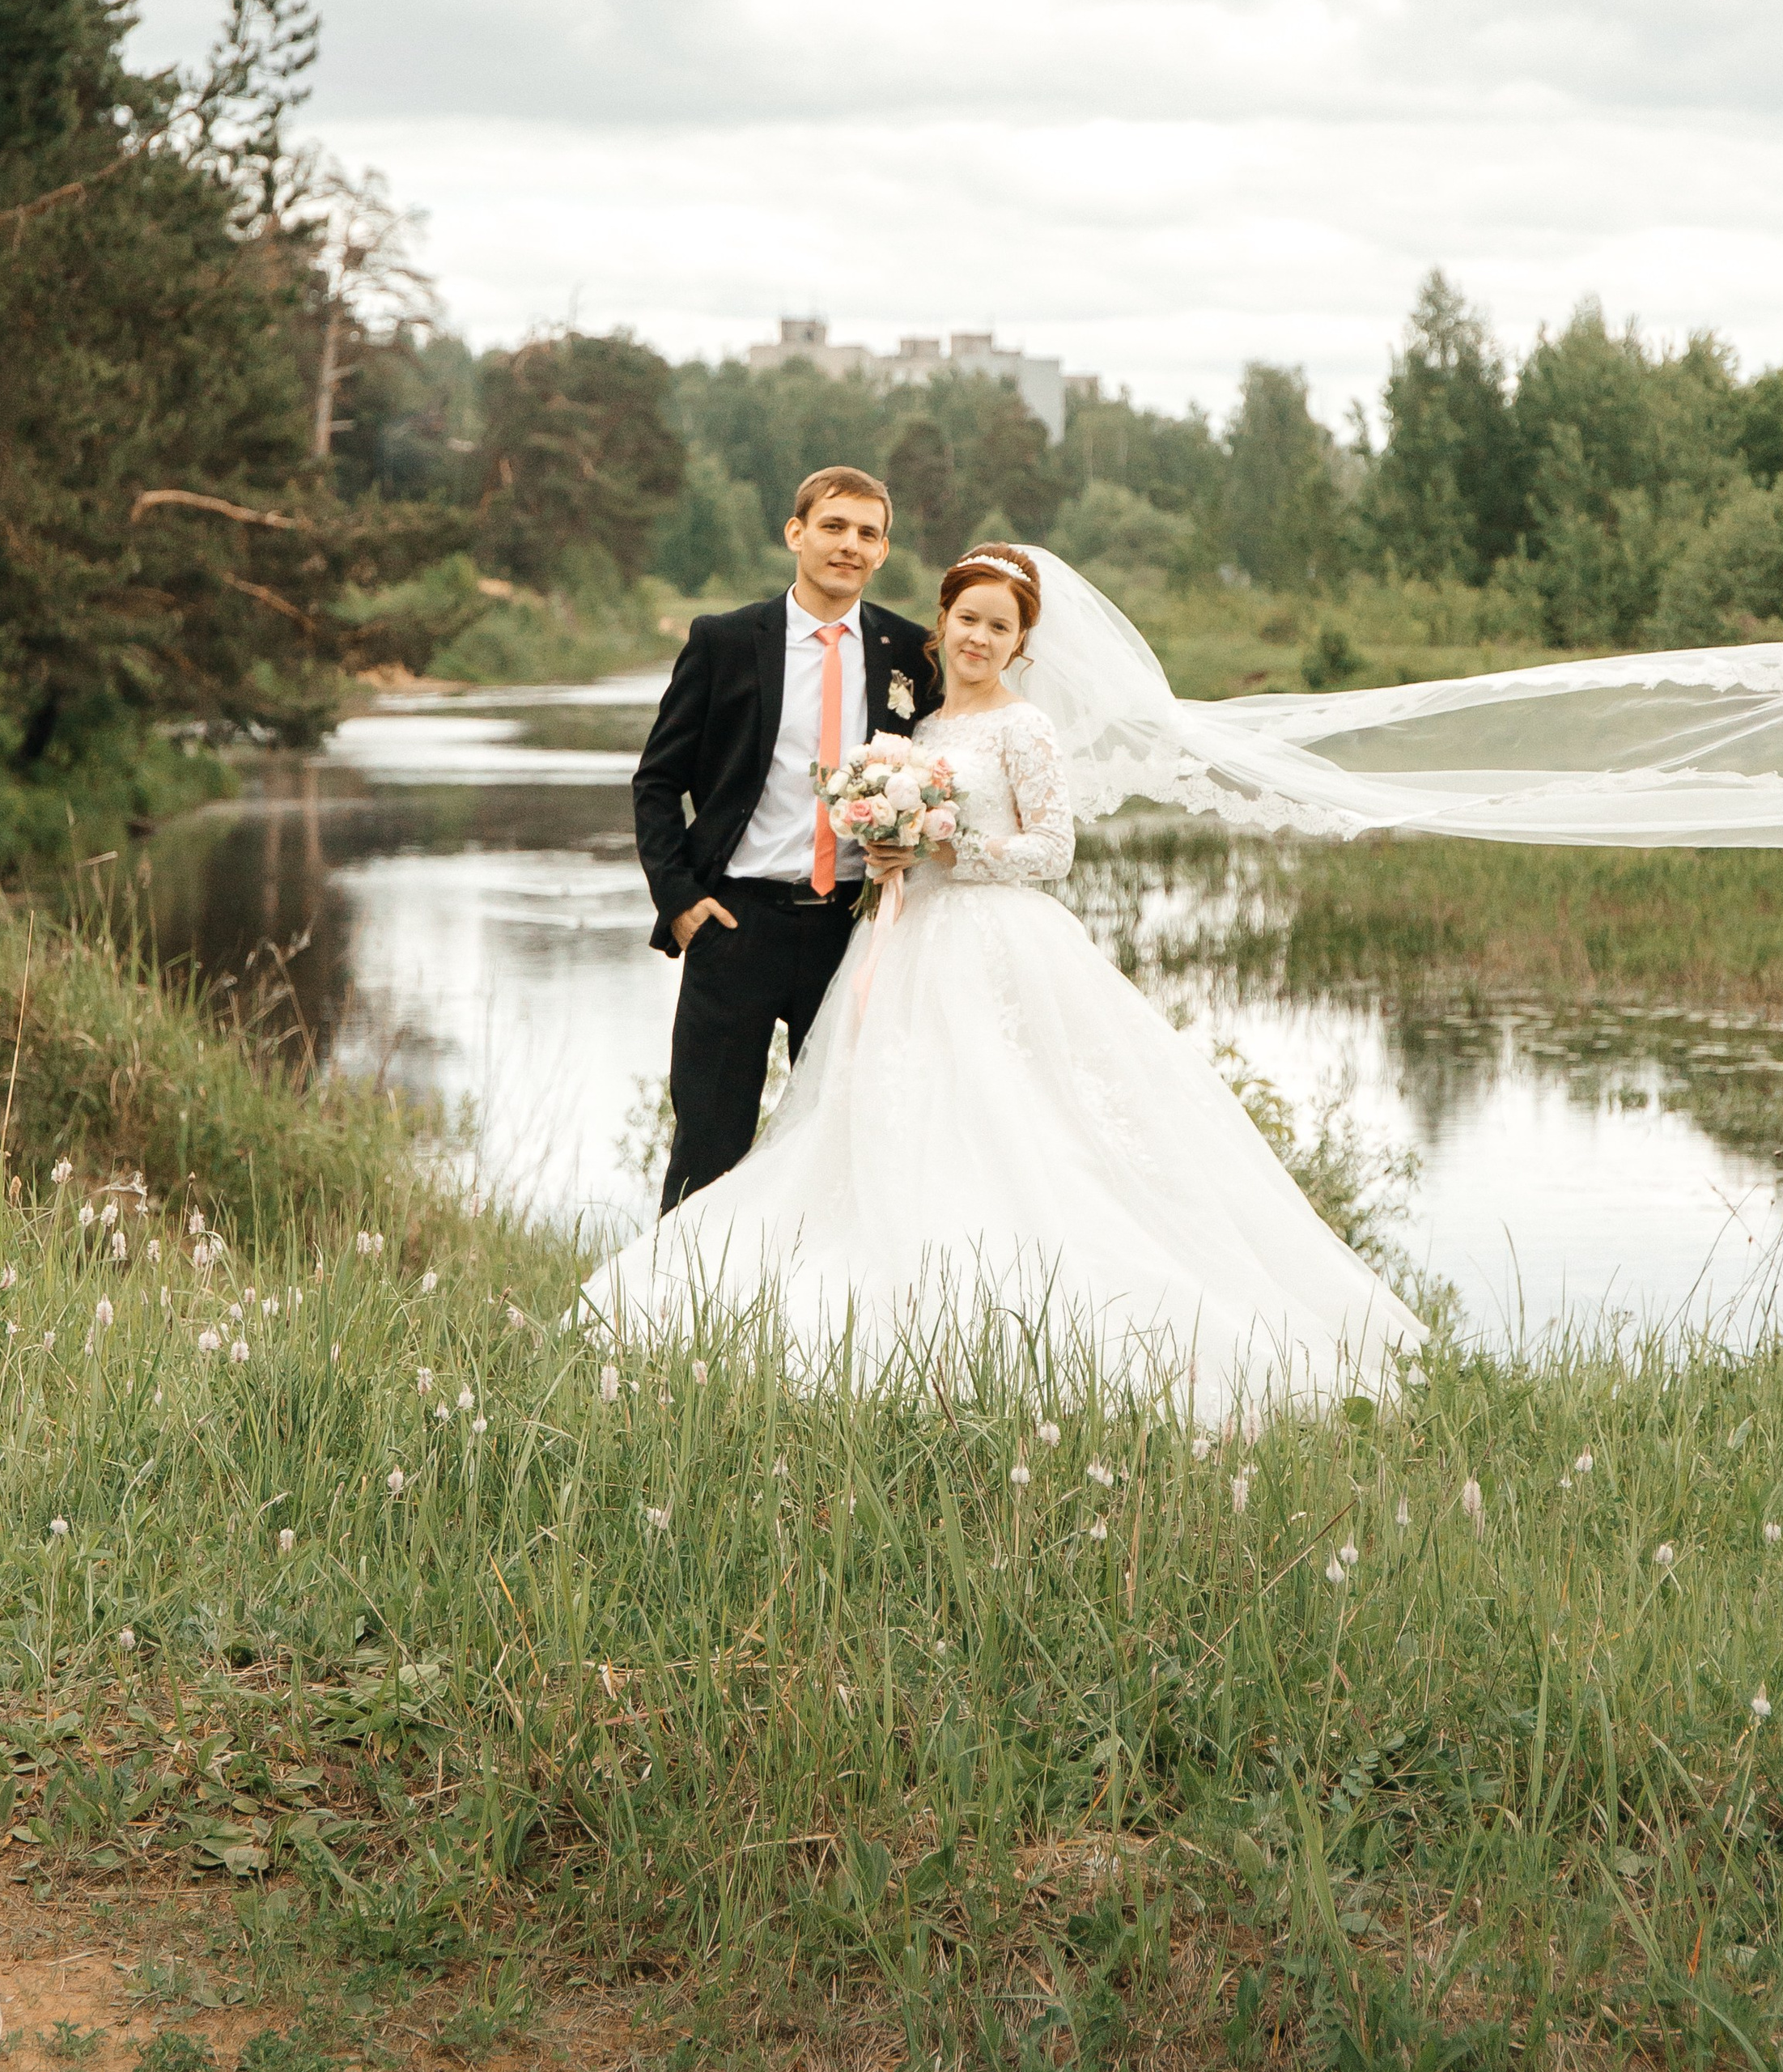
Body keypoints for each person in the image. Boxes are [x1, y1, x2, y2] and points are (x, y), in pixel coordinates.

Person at [595, 541, 1428, 1412]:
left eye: (1001, 627)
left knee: (1011, 1123)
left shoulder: (1025, 727)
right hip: (901, 942)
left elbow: (1053, 850)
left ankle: (1012, 1317)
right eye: (968, 620)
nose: (980, 639)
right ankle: (807, 1295)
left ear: (1022, 642)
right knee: (880, 1122)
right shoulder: (915, 726)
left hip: (995, 945)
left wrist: (954, 846)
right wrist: (890, 849)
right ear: (942, 623)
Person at [632, 464, 934, 1213]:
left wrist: (912, 845)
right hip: (734, 925)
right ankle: (676, 1316)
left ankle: (811, 1321)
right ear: (796, 533)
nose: (849, 546)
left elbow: (938, 779)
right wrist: (682, 902)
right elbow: (657, 784)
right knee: (709, 1143)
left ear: (884, 551)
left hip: (854, 934)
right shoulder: (726, 641)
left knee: (841, 1143)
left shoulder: (910, 653)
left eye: (867, 534)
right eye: (833, 527)